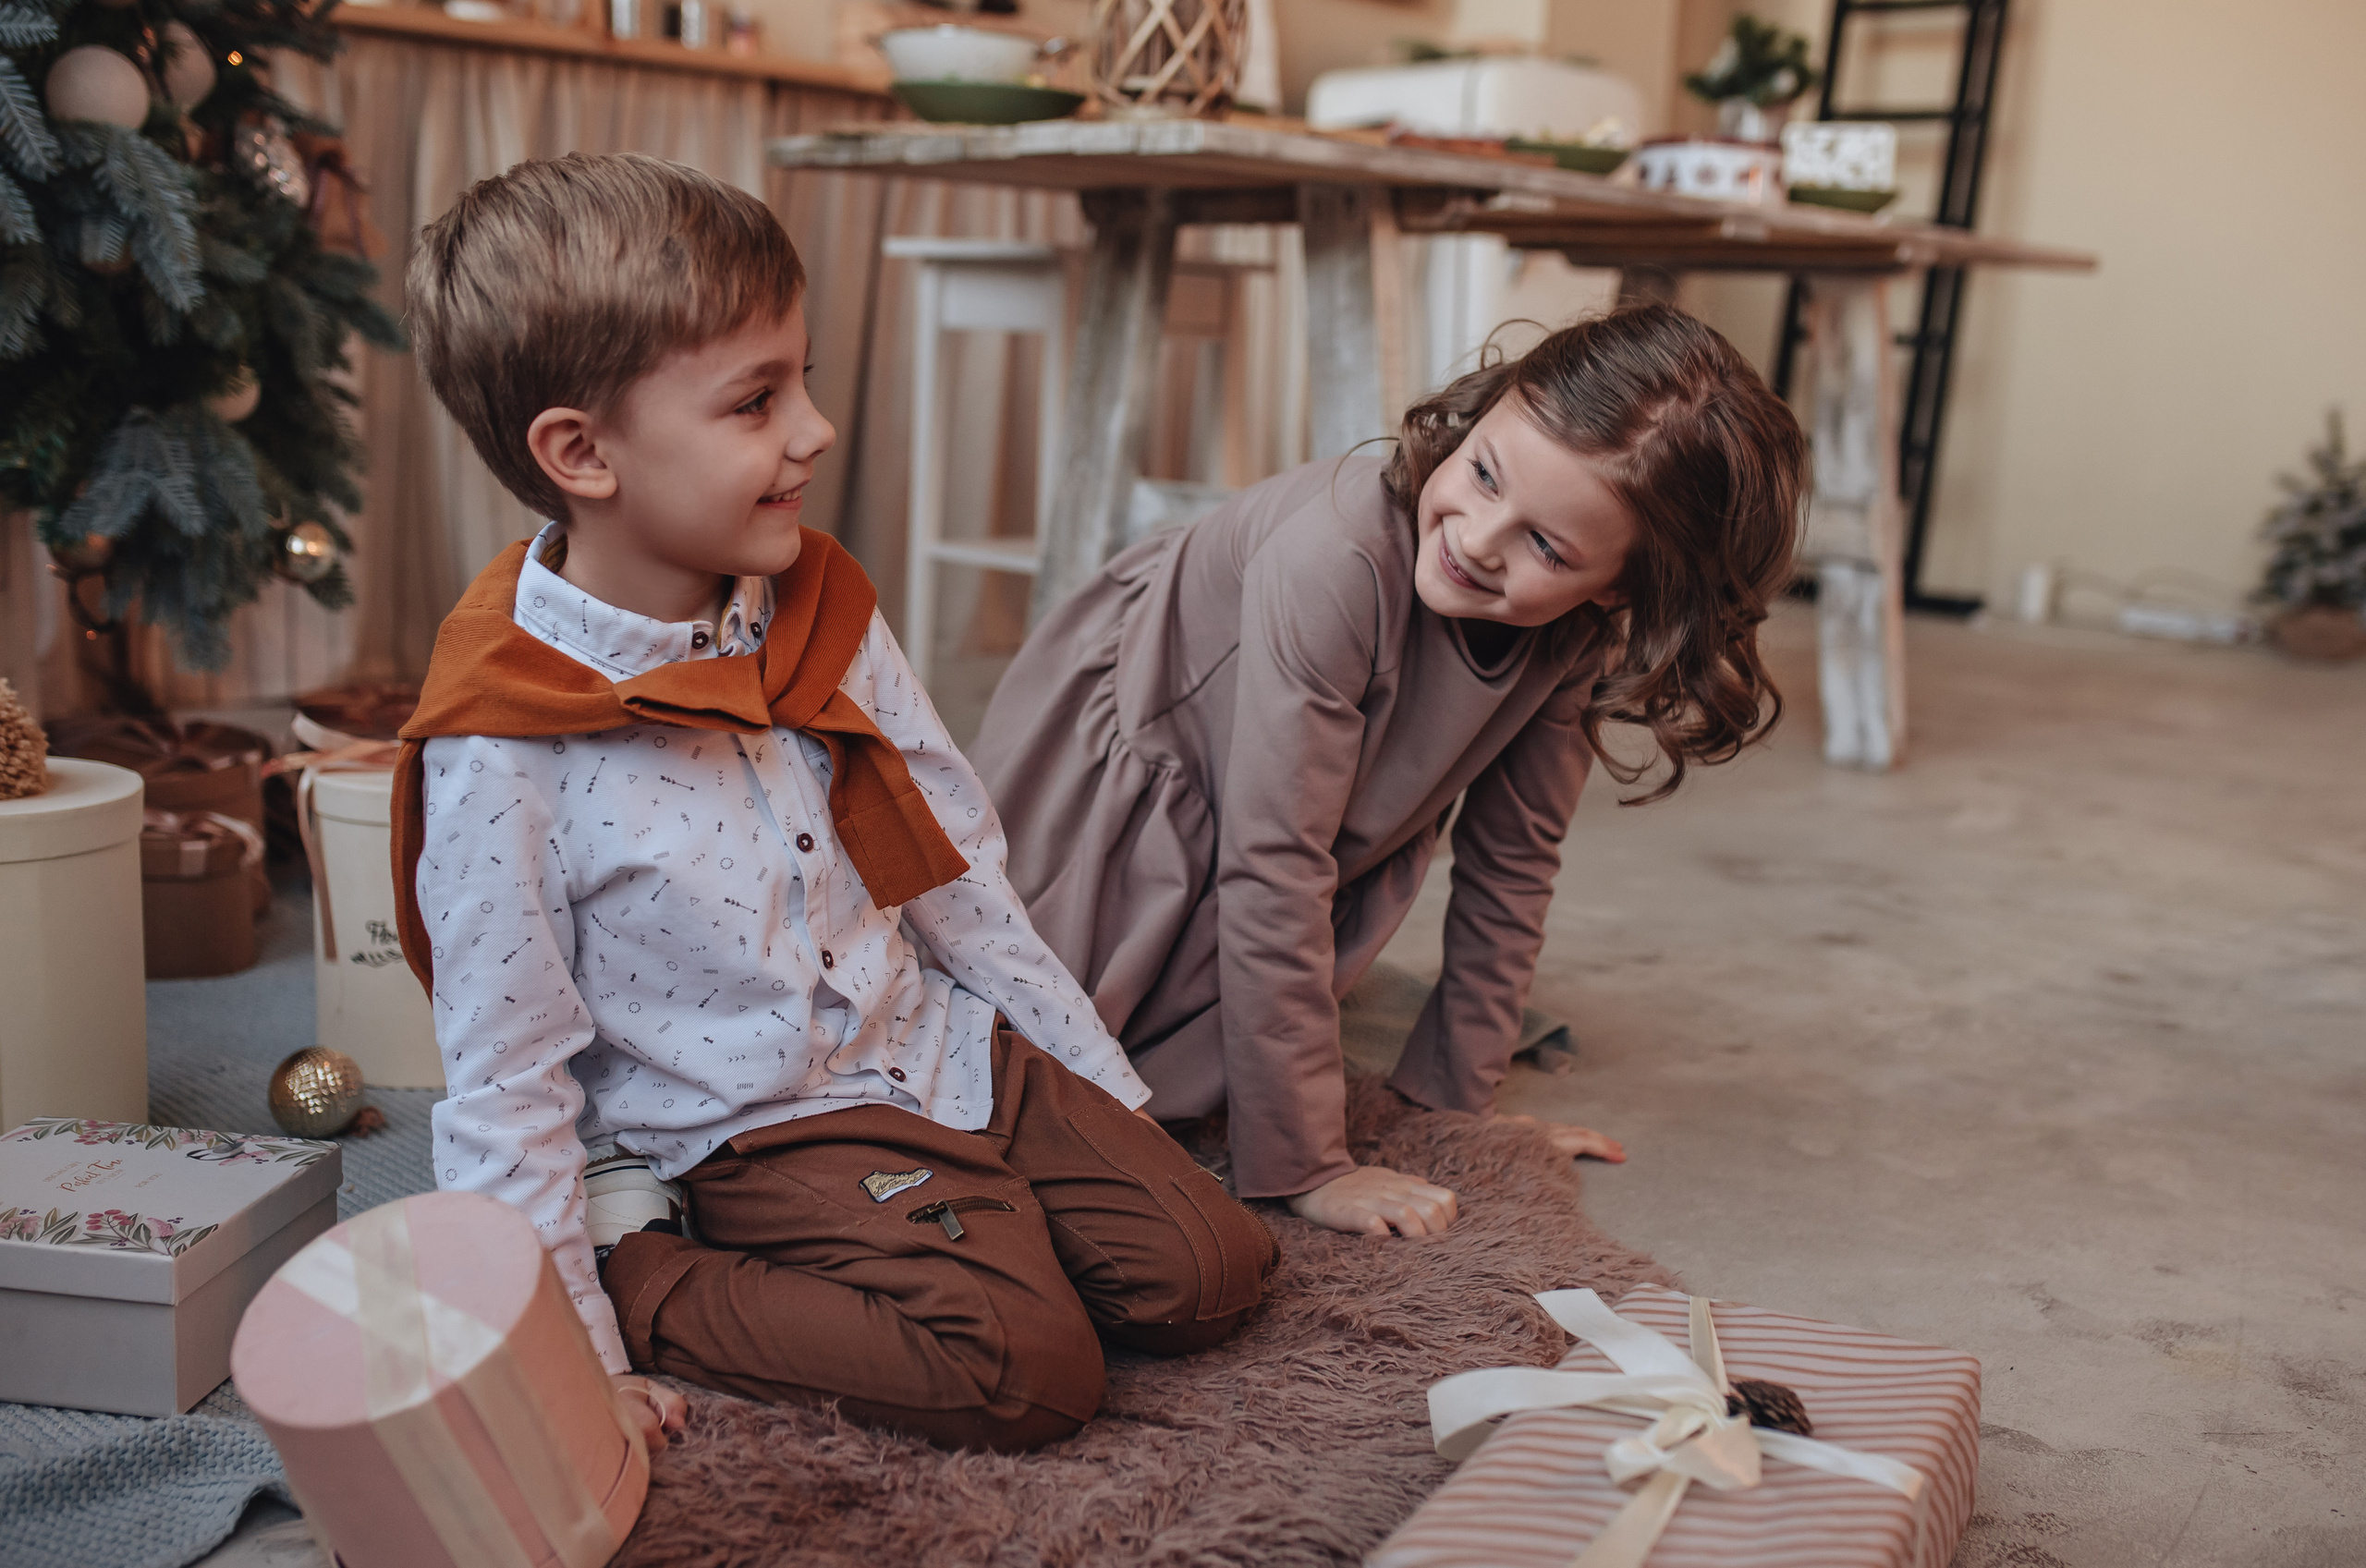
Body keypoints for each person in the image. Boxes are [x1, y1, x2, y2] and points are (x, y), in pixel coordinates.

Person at [392, 152, 1275, 1456]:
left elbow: (958, 876)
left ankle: (972, 1217)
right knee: (1029, 1374)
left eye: (802, 380)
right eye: (757, 401)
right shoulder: (505, 746)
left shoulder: (812, 610)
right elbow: (504, 1073)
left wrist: (1104, 1102)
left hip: (936, 1046)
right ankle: (656, 1270)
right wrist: (574, 1346)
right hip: (762, 1122)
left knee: (1211, 1269)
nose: (812, 429)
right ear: (583, 453)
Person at [971, 304, 1807, 1243]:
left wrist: (1455, 1104)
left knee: (1266, 979)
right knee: (1035, 1077)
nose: (1480, 538)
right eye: (1483, 474)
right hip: (1139, 785)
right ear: (1480, 415)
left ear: (1614, 587)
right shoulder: (1334, 557)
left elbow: (1512, 867)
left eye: (1547, 546)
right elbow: (1276, 868)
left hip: (1294, 821)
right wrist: (1307, 1164)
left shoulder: (1573, 636)